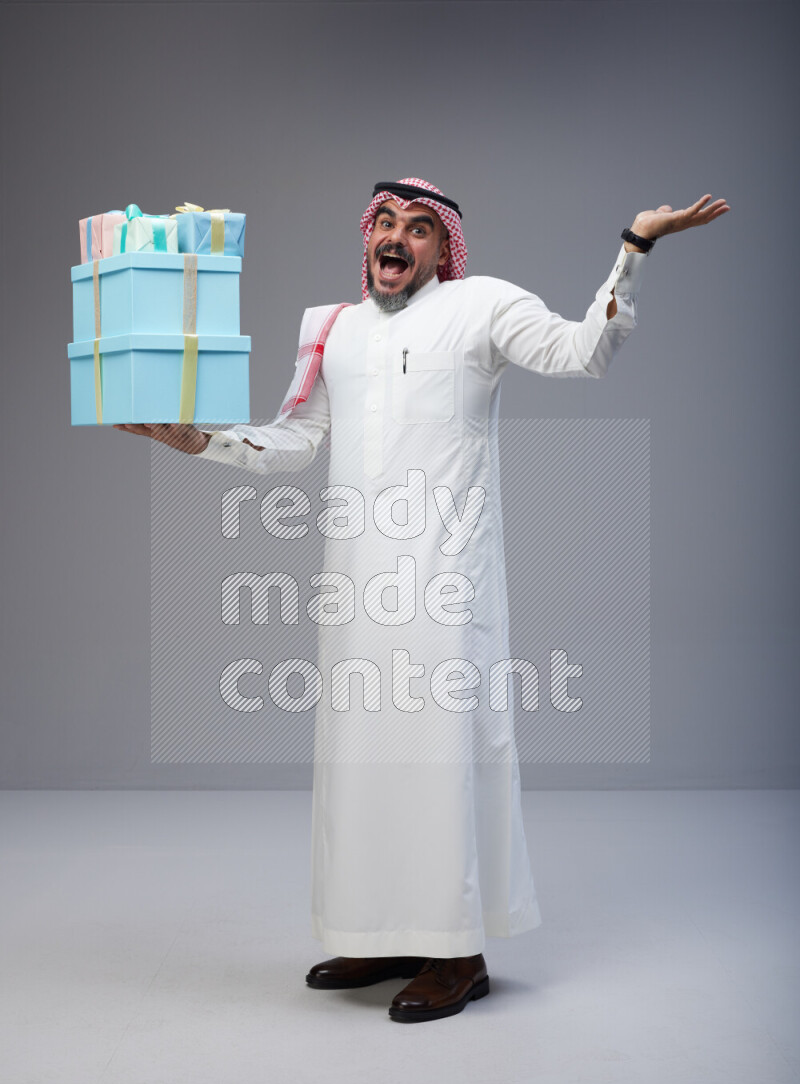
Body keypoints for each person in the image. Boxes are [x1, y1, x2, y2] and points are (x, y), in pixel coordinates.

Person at [114, 178, 729, 1024]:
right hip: (357, 582)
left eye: (418, 228)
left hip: (446, 584)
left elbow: (584, 351)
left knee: (439, 759)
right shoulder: (332, 329)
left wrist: (635, 249)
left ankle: (456, 951)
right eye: (385, 224)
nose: (396, 239)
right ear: (367, 238)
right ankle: (379, 929)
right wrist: (198, 439)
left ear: (444, 249)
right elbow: (294, 442)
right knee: (361, 758)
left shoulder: (482, 307)